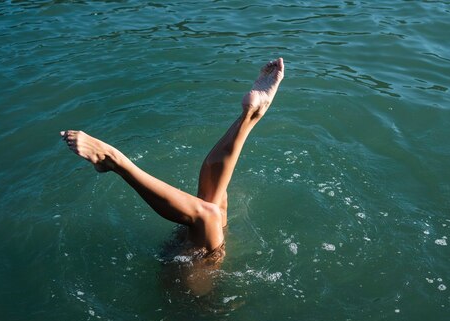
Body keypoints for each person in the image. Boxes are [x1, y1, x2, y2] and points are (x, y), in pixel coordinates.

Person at [61, 58, 284, 263]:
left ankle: (114, 160)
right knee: (214, 202)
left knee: (209, 213)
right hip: (200, 279)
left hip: (189, 289)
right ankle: (250, 117)